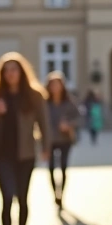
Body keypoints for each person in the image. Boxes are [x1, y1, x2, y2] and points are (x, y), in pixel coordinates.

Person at [0, 53, 51, 225]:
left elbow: (44, 122)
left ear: (21, 72)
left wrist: (46, 147)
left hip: (26, 154)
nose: (11, 73)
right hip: (2, 154)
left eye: (14, 69)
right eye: (7, 70)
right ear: (2, 74)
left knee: (22, 199)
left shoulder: (34, 95)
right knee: (6, 198)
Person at [45, 72, 81, 209]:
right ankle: (55, 192)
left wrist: (69, 124)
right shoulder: (45, 102)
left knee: (64, 167)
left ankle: (62, 194)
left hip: (65, 139)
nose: (55, 87)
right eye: (52, 84)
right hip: (50, 140)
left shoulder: (69, 101)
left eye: (57, 84)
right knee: (51, 168)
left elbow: (78, 117)